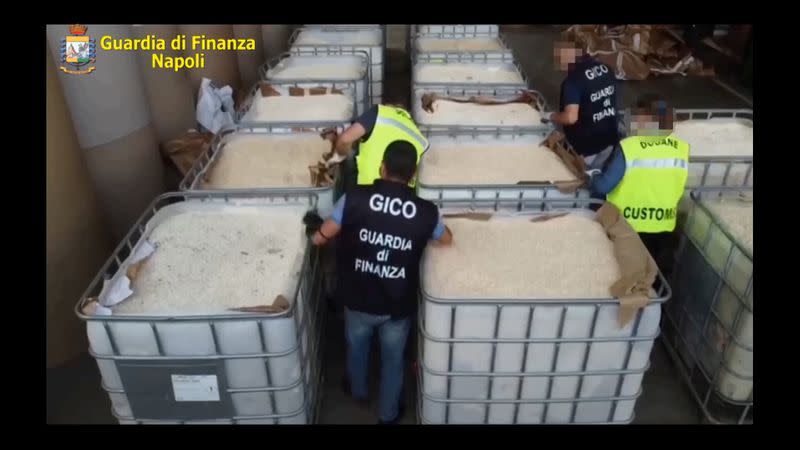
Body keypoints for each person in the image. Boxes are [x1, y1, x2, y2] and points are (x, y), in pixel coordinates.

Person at [305, 141, 453, 424]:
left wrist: (314, 227)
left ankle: (358, 391)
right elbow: (446, 240)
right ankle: (388, 414)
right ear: (413, 174)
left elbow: (321, 237)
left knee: (356, 348)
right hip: (396, 305)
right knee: (393, 361)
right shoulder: (425, 212)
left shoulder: (355, 198)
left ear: (382, 167)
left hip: (358, 298)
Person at [585, 94, 689, 269]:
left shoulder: (630, 147)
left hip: (627, 227)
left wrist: (592, 176)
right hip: (663, 227)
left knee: (621, 272)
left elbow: (604, 186)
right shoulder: (681, 148)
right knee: (653, 278)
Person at [543, 39, 622, 171]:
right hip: (610, 136)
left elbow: (570, 117)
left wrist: (551, 116)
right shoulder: (606, 69)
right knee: (603, 168)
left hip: (588, 146)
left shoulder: (573, 81)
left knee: (586, 177)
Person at [324, 103, 429, 189]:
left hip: (366, 194)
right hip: (401, 203)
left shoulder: (379, 112)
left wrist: (335, 160)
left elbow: (345, 139)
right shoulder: (422, 141)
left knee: (350, 157)